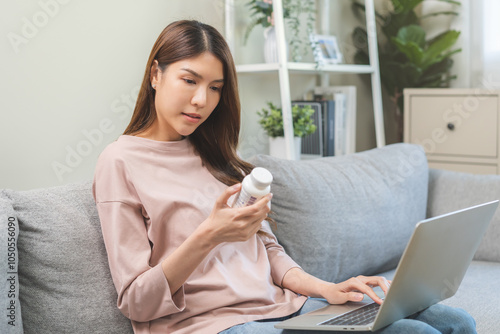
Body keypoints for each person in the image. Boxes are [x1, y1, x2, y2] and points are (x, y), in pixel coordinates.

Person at [92, 20, 477, 334]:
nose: (201, 101)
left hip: (286, 308)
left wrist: (329, 289)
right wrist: (210, 234)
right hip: (212, 325)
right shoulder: (120, 162)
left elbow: (268, 253)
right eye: (189, 80)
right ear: (155, 74)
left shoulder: (215, 155)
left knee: (455, 322)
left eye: (215, 88)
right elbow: (137, 302)